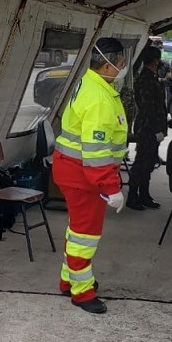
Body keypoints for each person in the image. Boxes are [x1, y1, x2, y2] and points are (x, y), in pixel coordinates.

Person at [53, 37, 130, 314]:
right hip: (84, 177)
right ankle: (81, 292)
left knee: (76, 231)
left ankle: (68, 279)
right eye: (120, 62)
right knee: (85, 236)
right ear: (108, 65)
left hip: (73, 171)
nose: (122, 65)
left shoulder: (93, 84)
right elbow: (96, 153)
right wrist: (111, 187)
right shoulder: (98, 99)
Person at [128, 45, 168, 210]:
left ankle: (144, 194)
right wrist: (156, 129)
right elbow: (149, 108)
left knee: (149, 162)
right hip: (147, 128)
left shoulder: (150, 78)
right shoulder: (146, 80)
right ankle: (133, 196)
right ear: (155, 60)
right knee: (141, 163)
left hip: (151, 127)